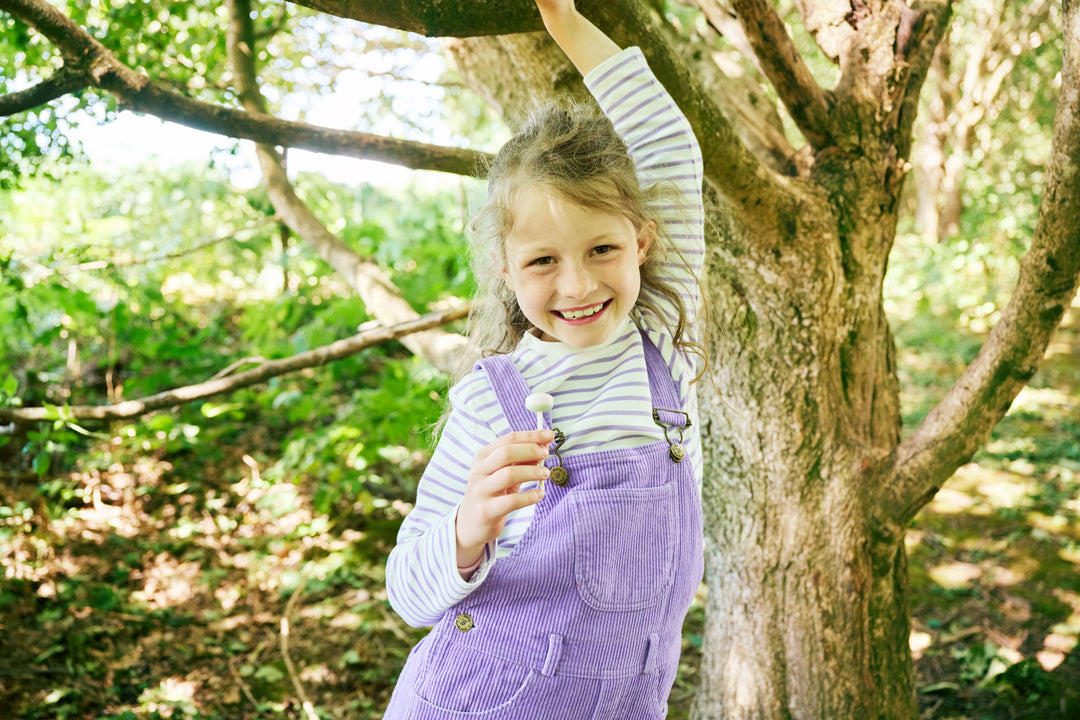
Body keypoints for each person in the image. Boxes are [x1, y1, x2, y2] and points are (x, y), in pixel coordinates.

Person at [383, 0, 706, 716]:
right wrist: (468, 529)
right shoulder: (491, 401)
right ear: (503, 266)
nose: (579, 284)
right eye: (542, 261)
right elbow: (408, 590)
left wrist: (561, 16)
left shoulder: (662, 343)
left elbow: (669, 146)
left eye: (602, 249)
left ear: (644, 242)